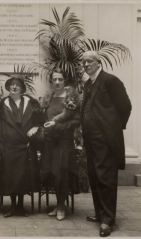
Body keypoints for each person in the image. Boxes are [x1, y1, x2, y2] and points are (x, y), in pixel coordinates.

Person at [81, 51, 132, 237]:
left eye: (90, 61)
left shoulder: (110, 80)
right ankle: (99, 214)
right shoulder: (88, 83)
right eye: (84, 61)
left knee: (106, 178)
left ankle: (107, 221)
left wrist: (114, 128)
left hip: (105, 139)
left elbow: (125, 106)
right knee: (94, 176)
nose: (86, 64)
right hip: (90, 139)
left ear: (98, 62)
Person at [0, 76, 44, 218]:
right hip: (9, 148)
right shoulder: (2, 106)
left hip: (26, 147)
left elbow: (40, 123)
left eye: (17, 85)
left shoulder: (31, 105)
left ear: (21, 88)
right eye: (12, 85)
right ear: (8, 88)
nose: (14, 87)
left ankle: (21, 206)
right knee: (11, 177)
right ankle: (13, 206)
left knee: (23, 177)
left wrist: (36, 129)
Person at [40, 68, 80, 221]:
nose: (57, 82)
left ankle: (62, 207)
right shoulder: (48, 98)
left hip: (64, 143)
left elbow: (76, 121)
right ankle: (58, 205)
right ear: (51, 81)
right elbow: (43, 118)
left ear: (65, 81)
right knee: (52, 173)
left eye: (60, 79)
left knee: (61, 174)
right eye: (54, 79)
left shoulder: (71, 98)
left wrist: (56, 126)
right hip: (50, 142)